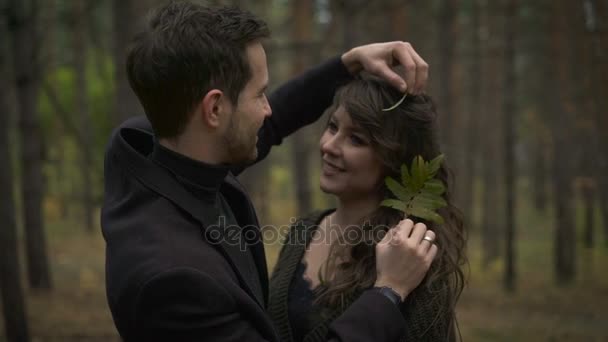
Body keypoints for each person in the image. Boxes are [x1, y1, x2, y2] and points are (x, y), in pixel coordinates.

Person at [101, 1, 435, 341]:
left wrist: (346, 65)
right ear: (214, 108)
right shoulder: (177, 282)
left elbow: (262, 127)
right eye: (259, 94)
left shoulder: (140, 150)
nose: (268, 108)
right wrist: (388, 292)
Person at [268, 77, 467, 342]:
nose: (328, 145)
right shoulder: (303, 229)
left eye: (356, 139)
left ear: (394, 159)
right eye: (332, 127)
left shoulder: (413, 261)